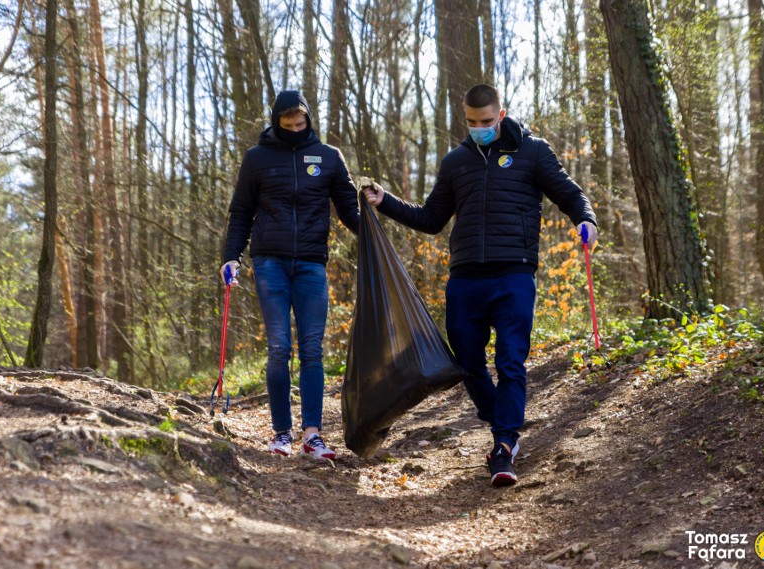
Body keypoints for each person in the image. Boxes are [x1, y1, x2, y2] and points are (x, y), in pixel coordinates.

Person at [363, 84, 597, 487]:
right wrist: (386, 201)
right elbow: (432, 218)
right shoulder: (456, 162)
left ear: (501, 114)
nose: (480, 129)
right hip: (466, 279)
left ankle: (504, 443)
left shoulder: (533, 152)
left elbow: (569, 193)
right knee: (467, 364)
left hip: (514, 275)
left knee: (510, 361)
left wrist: (586, 219)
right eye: (472, 123)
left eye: (487, 122)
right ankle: (502, 420)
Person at [221, 90, 359, 460]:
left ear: (308, 119)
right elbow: (240, 213)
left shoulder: (329, 157)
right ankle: (281, 433)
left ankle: (312, 435)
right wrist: (230, 257)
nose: (296, 129)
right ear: (276, 122)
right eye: (288, 124)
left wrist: (376, 231)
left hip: (312, 263)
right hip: (270, 263)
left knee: (312, 350)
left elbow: (350, 212)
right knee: (279, 348)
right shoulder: (257, 159)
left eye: (301, 123)